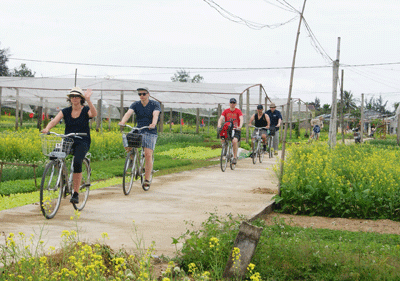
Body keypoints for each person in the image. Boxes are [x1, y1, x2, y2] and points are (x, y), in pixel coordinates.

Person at [42, 87, 97, 204]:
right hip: (68, 140)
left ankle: (76, 193)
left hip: (83, 140)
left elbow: (94, 114)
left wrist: (89, 100)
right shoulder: (65, 111)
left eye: (77, 96)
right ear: (70, 99)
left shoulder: (86, 109)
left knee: (77, 162)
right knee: (53, 155)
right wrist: (47, 128)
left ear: (81, 98)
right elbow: (54, 121)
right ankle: (63, 178)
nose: (74, 98)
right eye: (72, 96)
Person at [119, 87, 161, 189]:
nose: (141, 96)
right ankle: (132, 158)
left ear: (148, 94)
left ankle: (146, 179)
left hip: (150, 131)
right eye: (140, 94)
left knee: (147, 154)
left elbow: (155, 114)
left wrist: (153, 123)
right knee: (126, 139)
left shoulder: (155, 104)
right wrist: (122, 122)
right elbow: (128, 113)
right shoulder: (135, 104)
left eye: (143, 94)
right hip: (139, 129)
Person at [217, 98, 243, 165]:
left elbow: (241, 118)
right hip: (228, 128)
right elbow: (221, 118)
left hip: (236, 129)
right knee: (223, 137)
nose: (232, 104)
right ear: (229, 103)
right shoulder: (226, 111)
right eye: (231, 103)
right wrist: (219, 124)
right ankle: (225, 149)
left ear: (235, 104)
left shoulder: (238, 111)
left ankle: (234, 157)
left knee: (234, 141)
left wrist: (240, 126)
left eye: (233, 103)